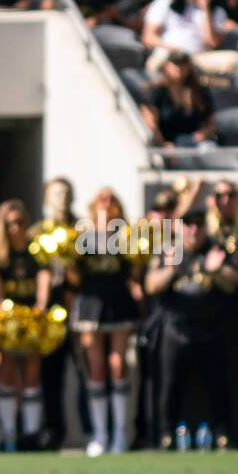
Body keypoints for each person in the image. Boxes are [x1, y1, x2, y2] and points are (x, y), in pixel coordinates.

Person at [146, 209, 238, 450]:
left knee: (218, 385)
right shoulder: (169, 251)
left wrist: (215, 270)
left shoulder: (216, 249)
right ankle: (166, 435)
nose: (194, 229)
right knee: (169, 386)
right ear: (180, 227)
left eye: (198, 224)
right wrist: (170, 270)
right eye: (188, 224)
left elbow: (233, 283)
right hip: (175, 330)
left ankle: (223, 434)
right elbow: (151, 285)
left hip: (211, 329)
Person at [70, 188, 142, 455]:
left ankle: (121, 433)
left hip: (118, 300)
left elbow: (134, 271)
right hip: (90, 302)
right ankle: (100, 433)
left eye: (112, 199)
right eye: (102, 199)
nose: (107, 204)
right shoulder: (80, 235)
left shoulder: (125, 234)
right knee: (96, 367)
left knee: (118, 364)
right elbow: (76, 277)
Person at [0, 199, 52, 451]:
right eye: (10, 223)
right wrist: (6, 315)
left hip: (31, 319)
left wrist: (40, 308)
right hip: (8, 321)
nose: (15, 228)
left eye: (20, 222)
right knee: (6, 373)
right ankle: (9, 433)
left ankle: (32, 433)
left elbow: (44, 280)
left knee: (32, 374)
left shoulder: (36, 251)